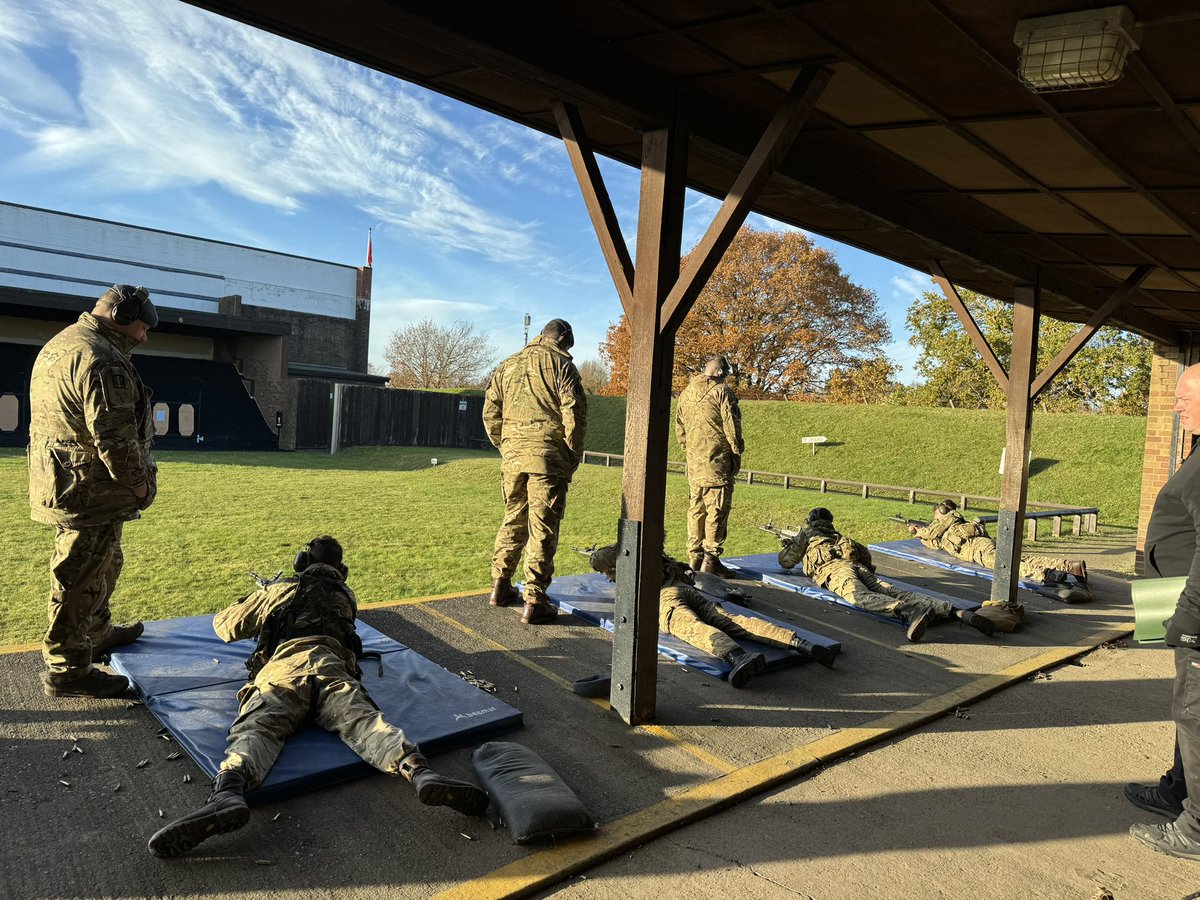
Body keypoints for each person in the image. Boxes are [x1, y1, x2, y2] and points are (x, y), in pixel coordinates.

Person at [147, 536, 489, 858]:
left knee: (257, 729)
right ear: (341, 572)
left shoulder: (281, 591)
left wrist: (259, 597)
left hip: (284, 671)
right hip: (332, 668)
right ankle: (419, 772)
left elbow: (225, 627)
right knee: (366, 723)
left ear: (301, 563)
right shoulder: (346, 596)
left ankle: (228, 793)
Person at [28, 284, 159, 699]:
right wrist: (139, 485)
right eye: (142, 326)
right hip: (90, 491)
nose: (144, 335)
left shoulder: (63, 344)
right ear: (122, 318)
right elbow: (115, 439)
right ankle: (67, 670)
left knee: (102, 562)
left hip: (65, 481)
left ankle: (95, 632)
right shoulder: (103, 360)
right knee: (79, 575)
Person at [587, 544, 837, 687]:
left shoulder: (630, 572)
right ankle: (802, 644)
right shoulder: (650, 554)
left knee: (689, 626)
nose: (607, 578)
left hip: (666, 597)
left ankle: (737, 657)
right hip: (685, 588)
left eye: (606, 573)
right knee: (733, 620)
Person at [1129, 363, 1200, 861]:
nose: (1176, 407)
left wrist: (1191, 619)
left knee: (1196, 715)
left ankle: (1196, 830)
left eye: (1184, 398)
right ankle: (1179, 791)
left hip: (1196, 617)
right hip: (1177, 602)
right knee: (1186, 710)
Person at [483, 319, 587, 625]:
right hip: (546, 459)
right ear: (564, 338)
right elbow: (575, 415)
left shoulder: (507, 365)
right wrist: (571, 453)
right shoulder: (562, 365)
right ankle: (535, 599)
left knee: (513, 518)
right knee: (542, 527)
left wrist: (506, 446)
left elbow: (490, 412)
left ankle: (500, 586)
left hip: (513, 459)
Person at [780, 508, 995, 642]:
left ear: (811, 521)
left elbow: (786, 561)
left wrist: (788, 545)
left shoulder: (808, 535)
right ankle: (959, 613)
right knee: (894, 590)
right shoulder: (839, 536)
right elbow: (866, 557)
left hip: (836, 571)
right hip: (859, 568)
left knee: (858, 597)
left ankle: (909, 613)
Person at [908, 499, 1088, 591]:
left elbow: (931, 532)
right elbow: (934, 542)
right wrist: (918, 534)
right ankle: (1069, 566)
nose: (934, 520)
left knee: (1005, 565)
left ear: (942, 512)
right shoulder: (947, 528)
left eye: (936, 517)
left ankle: (1046, 575)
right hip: (979, 548)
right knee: (1019, 558)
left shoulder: (950, 518)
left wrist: (920, 530)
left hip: (979, 548)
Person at [676, 355, 744, 578]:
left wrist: (690, 451)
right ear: (719, 370)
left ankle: (693, 558)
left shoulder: (685, 393)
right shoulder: (722, 392)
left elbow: (680, 429)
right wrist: (736, 450)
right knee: (717, 510)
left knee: (696, 510)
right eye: (725, 371)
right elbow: (731, 425)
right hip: (717, 463)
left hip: (695, 465)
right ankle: (710, 561)